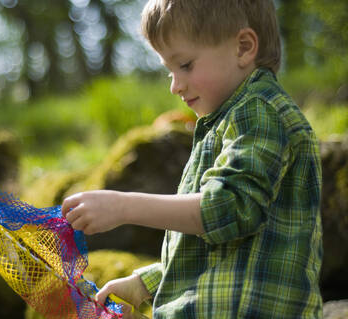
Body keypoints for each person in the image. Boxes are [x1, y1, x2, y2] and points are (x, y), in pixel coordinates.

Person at [61, 0, 323, 317]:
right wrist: (146, 282)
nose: (175, 85)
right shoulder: (230, 120)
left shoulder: (260, 113)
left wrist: (123, 206)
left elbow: (228, 208)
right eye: (169, 70)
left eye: (185, 65)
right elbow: (228, 246)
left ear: (243, 47)